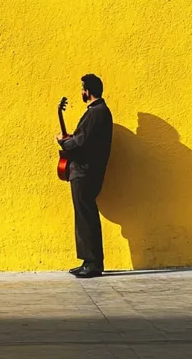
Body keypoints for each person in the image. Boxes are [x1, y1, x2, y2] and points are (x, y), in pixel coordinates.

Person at [56, 73, 113, 278]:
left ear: (87, 91)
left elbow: (81, 142)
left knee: (86, 216)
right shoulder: (98, 112)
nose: (81, 92)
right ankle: (88, 261)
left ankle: (93, 263)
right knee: (84, 216)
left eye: (82, 89)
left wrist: (63, 141)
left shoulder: (96, 113)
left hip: (85, 172)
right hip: (86, 171)